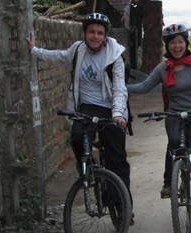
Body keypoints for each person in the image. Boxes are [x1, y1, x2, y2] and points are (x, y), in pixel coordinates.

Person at [26, 13, 133, 221]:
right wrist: (34, 51)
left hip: (110, 108)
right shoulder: (78, 49)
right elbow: (58, 56)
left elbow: (120, 89)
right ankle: (89, 169)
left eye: (100, 33)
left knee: (117, 161)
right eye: (91, 32)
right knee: (76, 137)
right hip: (85, 107)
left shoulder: (116, 56)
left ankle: (123, 209)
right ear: (84, 33)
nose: (95, 36)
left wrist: (118, 114)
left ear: (105, 36)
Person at [125, 24, 191, 204]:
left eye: (180, 41)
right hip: (175, 114)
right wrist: (120, 88)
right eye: (172, 42)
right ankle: (168, 183)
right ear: (167, 46)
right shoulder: (162, 68)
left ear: (186, 43)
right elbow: (144, 86)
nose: (177, 46)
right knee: (174, 144)